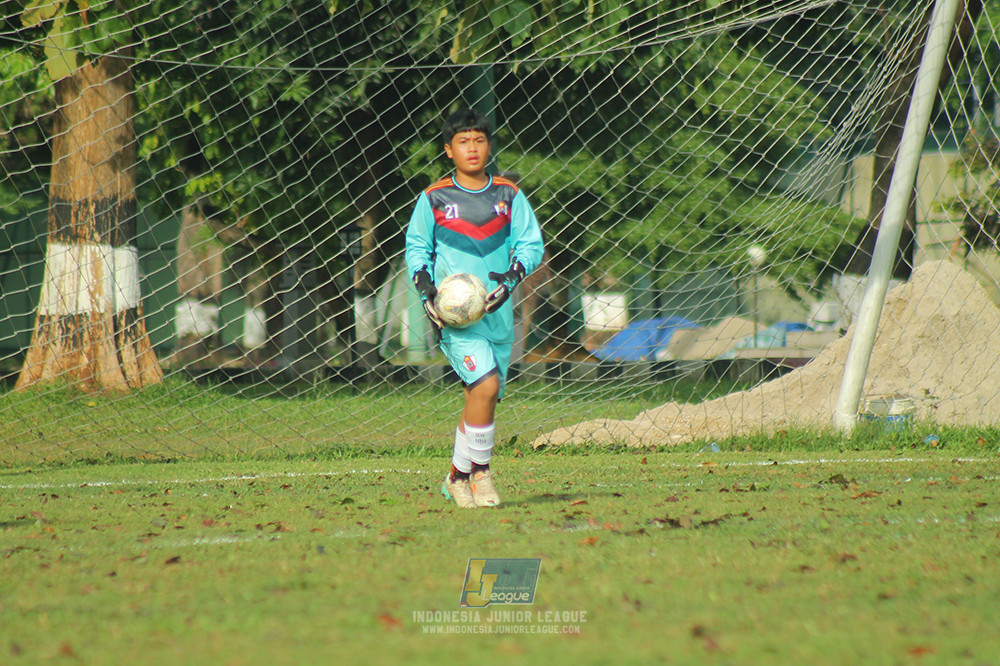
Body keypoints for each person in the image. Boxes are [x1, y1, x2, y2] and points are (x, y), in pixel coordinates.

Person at [405, 108, 545, 508]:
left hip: (498, 314)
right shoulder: (433, 199)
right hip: (455, 320)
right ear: (448, 150)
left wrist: (511, 279)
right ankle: (481, 475)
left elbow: (530, 244)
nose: (472, 148)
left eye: (479, 140)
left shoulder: (508, 195)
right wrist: (426, 290)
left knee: (482, 398)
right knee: (485, 385)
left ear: (489, 146)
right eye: (463, 141)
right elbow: (417, 249)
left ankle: (454, 478)